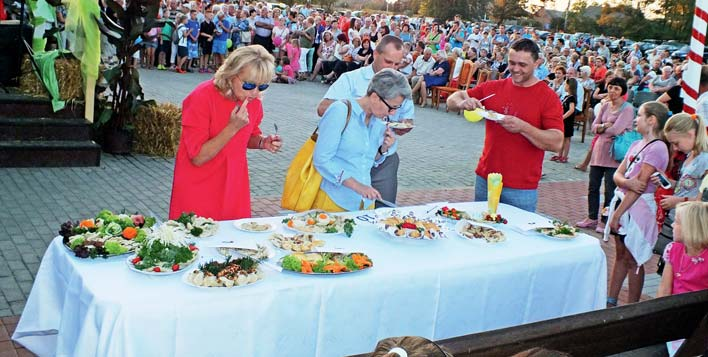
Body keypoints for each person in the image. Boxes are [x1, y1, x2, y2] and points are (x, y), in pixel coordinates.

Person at [446, 38, 564, 212]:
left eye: (522, 65)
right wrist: (463, 103)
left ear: (537, 62)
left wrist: (523, 127)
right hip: (485, 178)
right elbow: (452, 99)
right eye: (512, 63)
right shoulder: (494, 87)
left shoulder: (547, 97)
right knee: (479, 232)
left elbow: (556, 143)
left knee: (517, 237)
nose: (515, 69)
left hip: (521, 186)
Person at [169, 46, 282, 221]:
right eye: (249, 85)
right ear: (231, 74)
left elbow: (248, 137)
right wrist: (232, 127)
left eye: (262, 86)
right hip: (199, 187)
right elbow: (198, 157)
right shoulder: (202, 97)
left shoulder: (253, 102)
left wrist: (261, 142)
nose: (254, 92)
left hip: (233, 185)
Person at [317, 35, 414, 207]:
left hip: (367, 188)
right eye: (388, 62)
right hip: (337, 196)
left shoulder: (380, 116)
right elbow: (322, 159)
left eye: (397, 64)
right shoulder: (349, 88)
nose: (392, 114)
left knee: (384, 212)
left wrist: (384, 148)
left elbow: (370, 156)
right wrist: (356, 107)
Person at [605, 101, 670, 307]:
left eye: (640, 115)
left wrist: (617, 214)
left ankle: (632, 306)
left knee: (635, 258)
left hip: (639, 208)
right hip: (623, 200)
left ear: (652, 120)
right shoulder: (636, 144)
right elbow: (618, 174)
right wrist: (624, 182)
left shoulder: (657, 147)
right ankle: (610, 300)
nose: (635, 119)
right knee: (621, 254)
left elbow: (640, 186)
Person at [576, 77, 634, 233]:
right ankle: (591, 217)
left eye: (616, 88)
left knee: (610, 190)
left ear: (622, 91)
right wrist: (603, 126)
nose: (612, 91)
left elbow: (617, 130)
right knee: (592, 187)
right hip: (599, 151)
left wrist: (604, 128)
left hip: (614, 154)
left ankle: (605, 220)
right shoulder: (605, 105)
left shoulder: (627, 108)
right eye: (610, 87)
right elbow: (594, 126)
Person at [657, 201, 708, 297]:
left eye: (676, 222)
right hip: (676, 307)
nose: (672, 225)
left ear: (690, 228)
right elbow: (664, 288)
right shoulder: (672, 249)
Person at [552, 78, 577, 164]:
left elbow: (571, 110)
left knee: (567, 139)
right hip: (564, 121)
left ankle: (565, 156)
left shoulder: (572, 98)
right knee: (562, 138)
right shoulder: (566, 97)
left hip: (568, 121)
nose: (564, 86)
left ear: (570, 86)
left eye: (566, 85)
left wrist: (563, 117)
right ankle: (560, 154)